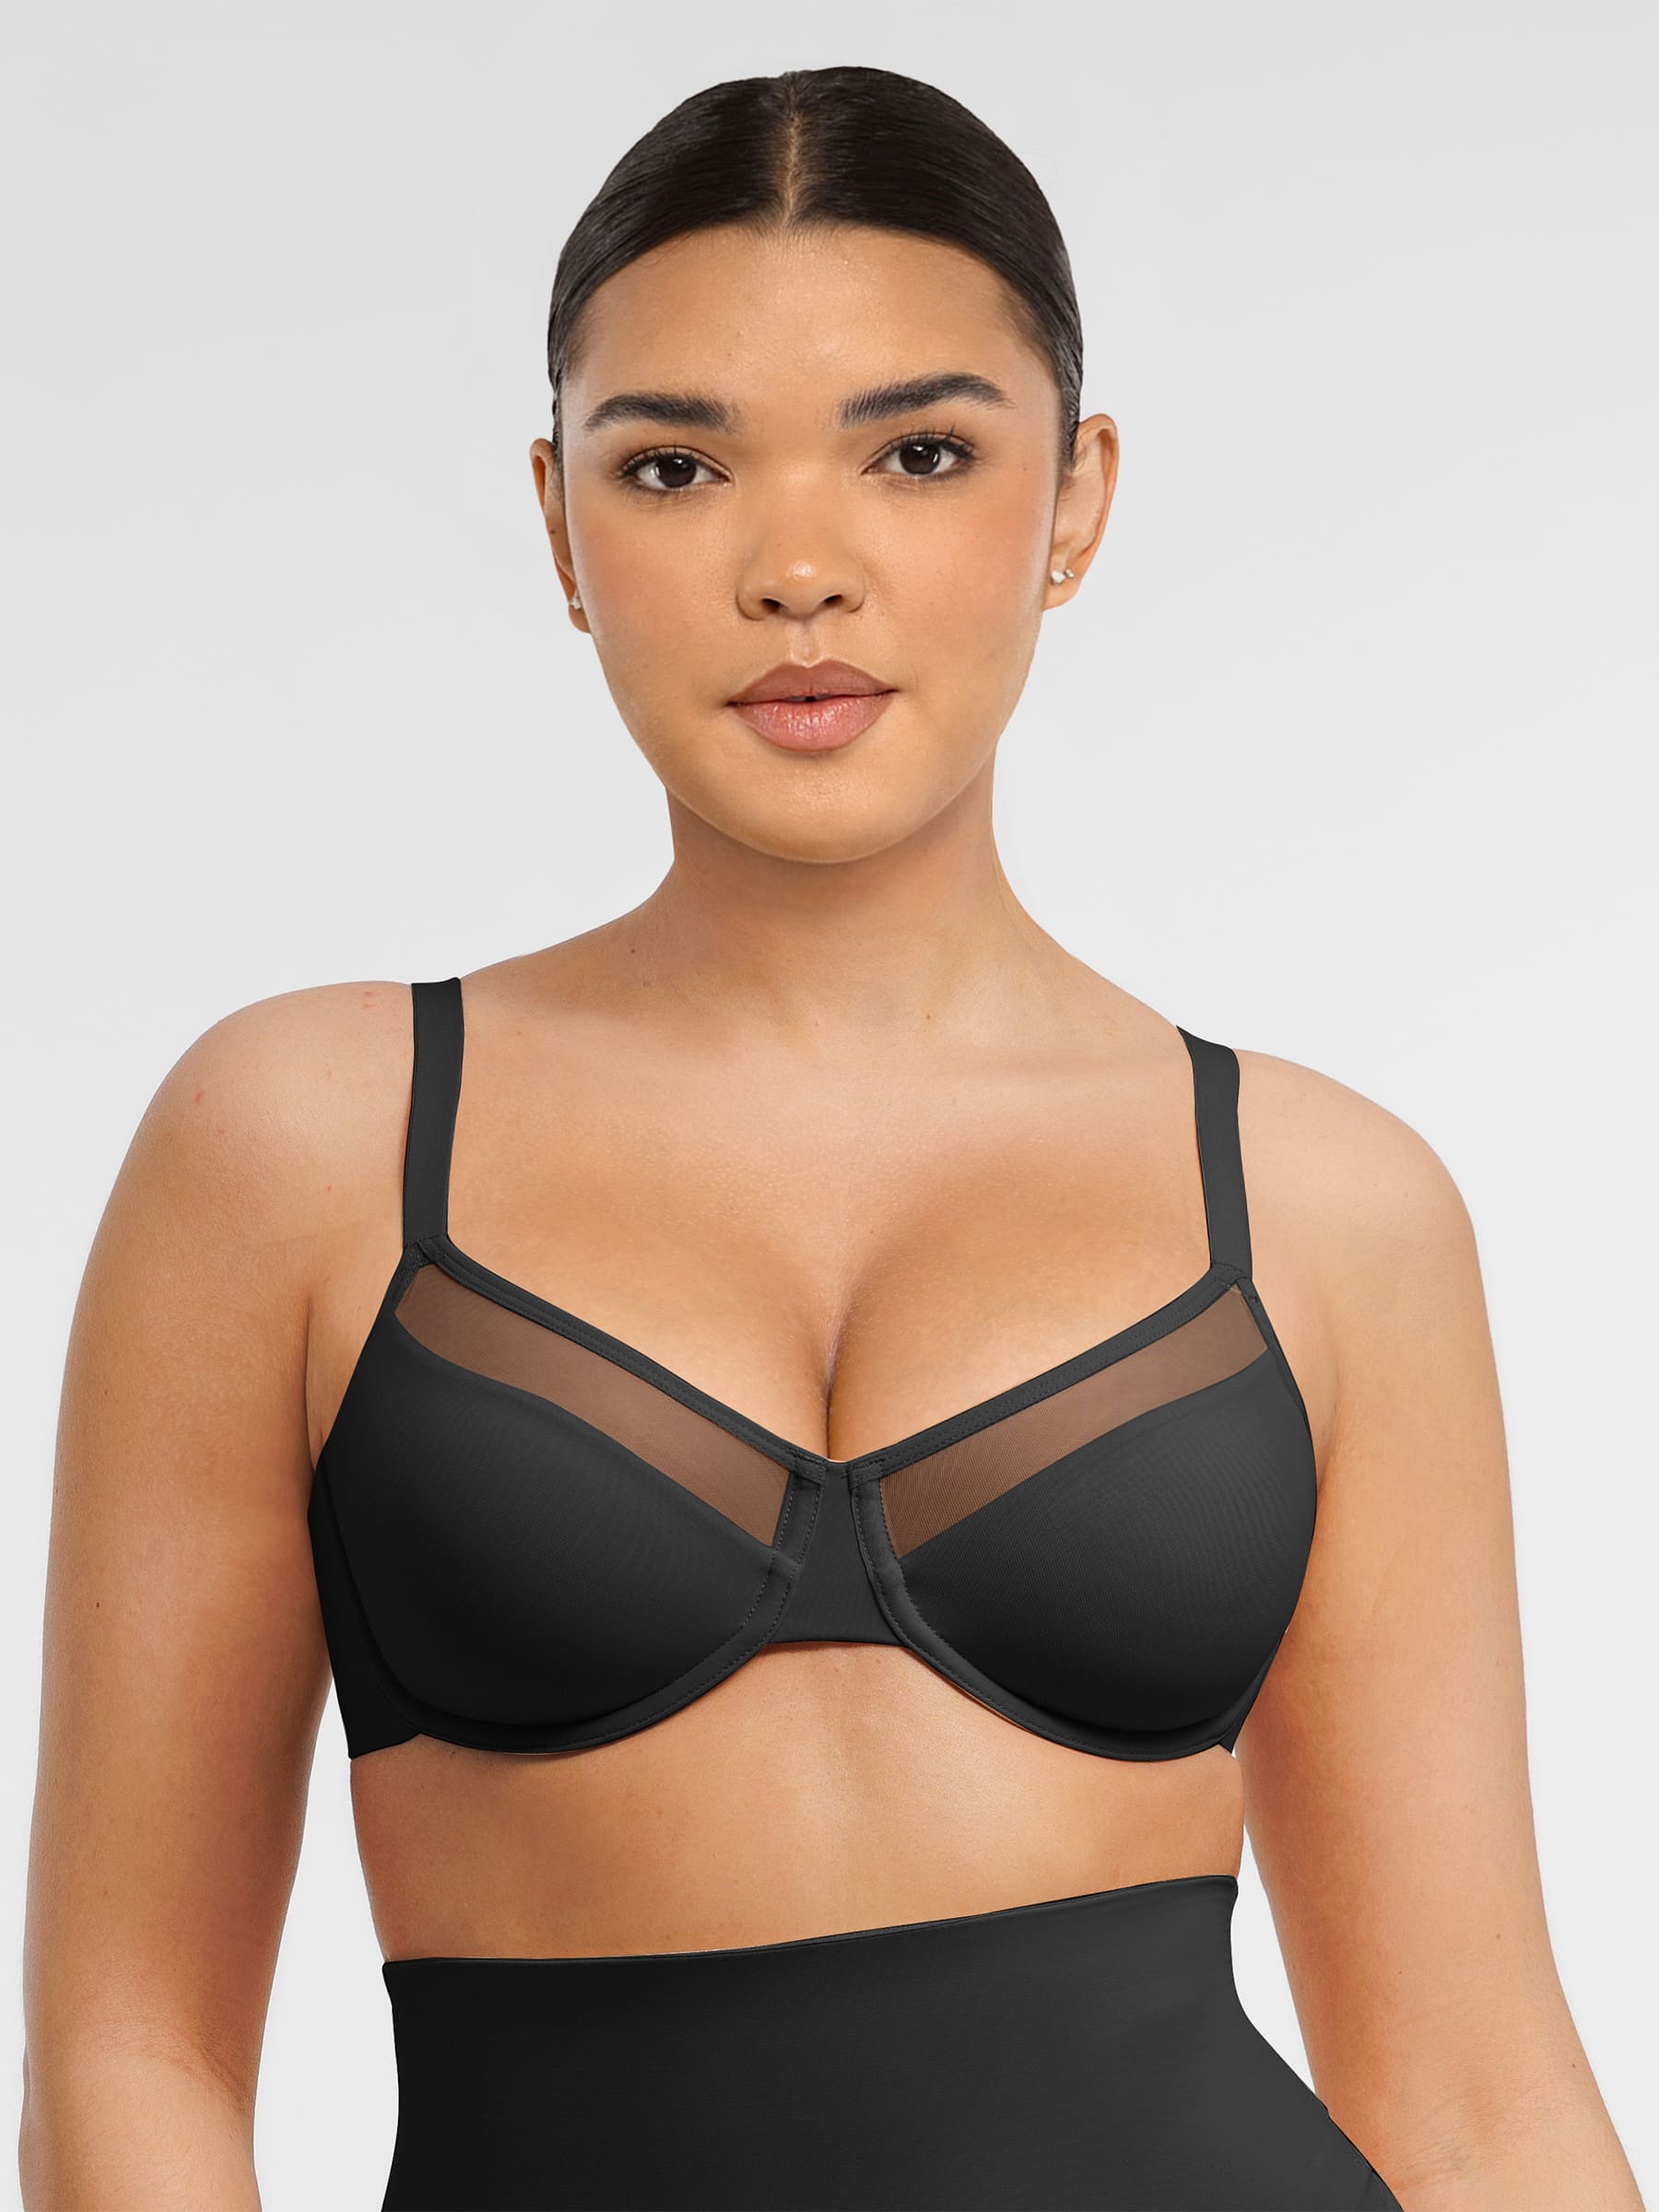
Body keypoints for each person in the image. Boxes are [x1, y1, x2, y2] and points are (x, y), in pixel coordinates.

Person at [19, 62, 1643, 2212]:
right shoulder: (304, 1145)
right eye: (676, 466)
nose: (799, 570)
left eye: (922, 453)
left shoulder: (1329, 1208)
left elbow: (1471, 2098)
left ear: (1074, 502)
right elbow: (127, 2053)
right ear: (560, 524)